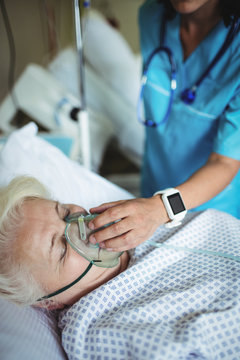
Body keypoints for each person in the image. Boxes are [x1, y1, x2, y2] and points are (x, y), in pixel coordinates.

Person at [86, 0, 240, 253]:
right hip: (151, 191)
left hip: (210, 210)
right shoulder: (151, 16)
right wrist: (152, 207)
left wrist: (161, 208)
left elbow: (225, 162)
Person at [0, 176, 129, 309]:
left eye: (65, 213)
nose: (80, 226)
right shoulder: (98, 325)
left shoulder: (139, 218)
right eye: (63, 247)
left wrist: (152, 208)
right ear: (47, 301)